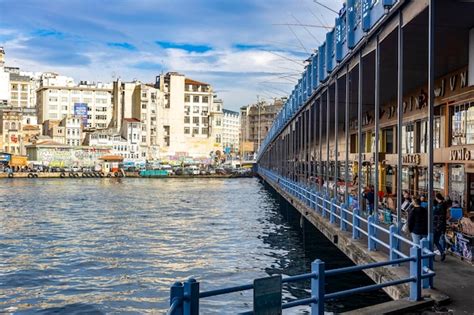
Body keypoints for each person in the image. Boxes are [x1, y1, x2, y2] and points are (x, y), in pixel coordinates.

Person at [433, 193, 447, 261]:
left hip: (436, 225)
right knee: (436, 240)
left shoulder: (438, 207)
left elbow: (435, 214)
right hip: (441, 225)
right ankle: (442, 252)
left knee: (432, 241)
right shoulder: (444, 204)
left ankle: (431, 256)